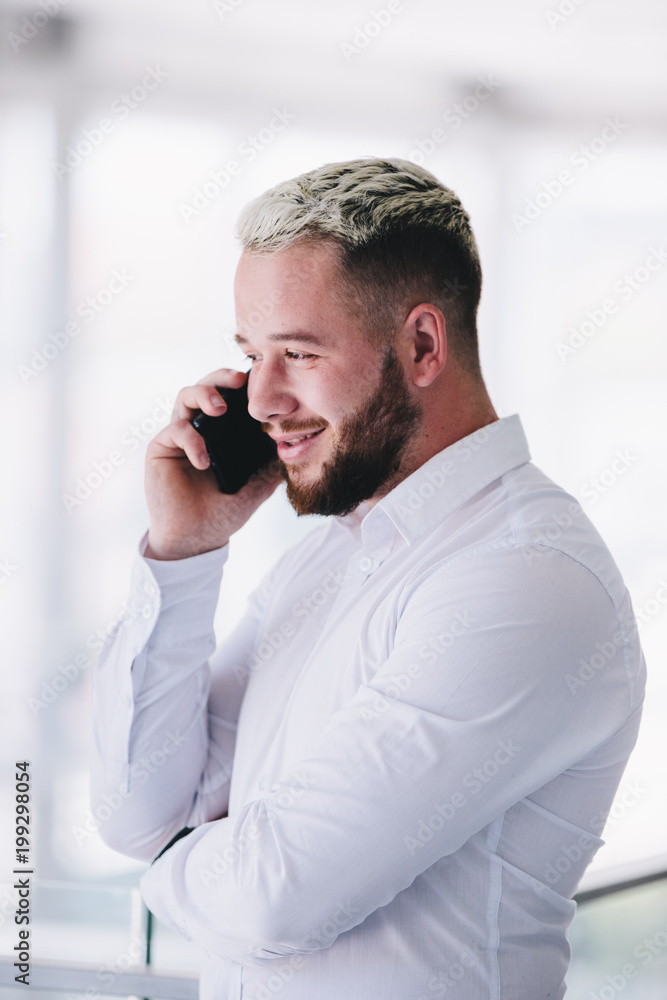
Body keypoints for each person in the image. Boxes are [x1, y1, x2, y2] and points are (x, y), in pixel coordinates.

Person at [91, 157, 645, 999]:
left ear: (422, 344)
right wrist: (183, 553)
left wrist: (172, 866)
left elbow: (271, 900)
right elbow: (136, 808)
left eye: (299, 353)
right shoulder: (334, 552)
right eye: (251, 354)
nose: (262, 400)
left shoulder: (527, 577)